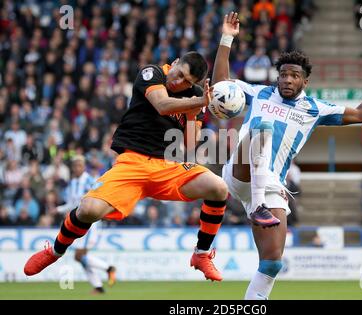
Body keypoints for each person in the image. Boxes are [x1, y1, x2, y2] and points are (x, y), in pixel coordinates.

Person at [212, 12, 362, 299]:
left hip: (270, 186)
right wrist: (227, 38)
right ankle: (255, 205)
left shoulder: (315, 109)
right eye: (283, 74)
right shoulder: (259, 93)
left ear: (305, 81)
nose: (287, 80)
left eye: (294, 76)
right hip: (241, 173)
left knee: (272, 262)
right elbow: (221, 89)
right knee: (261, 130)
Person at [23, 51, 239, 282]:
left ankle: (202, 254)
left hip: (167, 166)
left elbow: (189, 144)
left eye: (188, 82)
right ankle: (55, 251)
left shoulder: (195, 95)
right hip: (132, 163)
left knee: (218, 187)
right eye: (179, 74)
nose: (179, 82)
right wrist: (198, 102)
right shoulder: (152, 73)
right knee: (88, 210)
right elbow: (162, 105)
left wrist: (195, 110)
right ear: (174, 64)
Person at [55, 154, 116, 294]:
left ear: (83, 167)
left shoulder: (90, 180)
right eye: (75, 166)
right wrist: (57, 209)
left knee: (79, 256)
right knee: (81, 257)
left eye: (79, 165)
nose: (77, 168)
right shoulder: (71, 184)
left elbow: (101, 195)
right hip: (77, 221)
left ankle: (108, 269)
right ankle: (98, 286)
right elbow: (71, 204)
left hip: (90, 223)